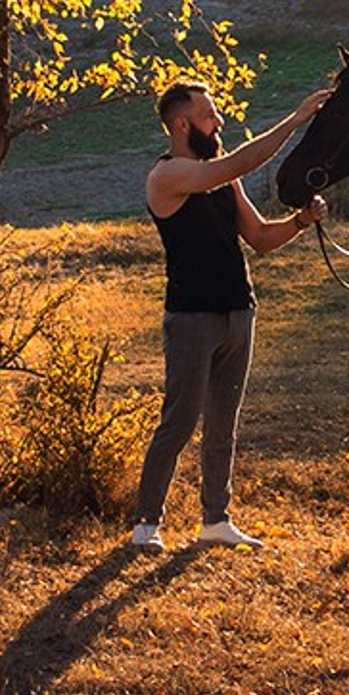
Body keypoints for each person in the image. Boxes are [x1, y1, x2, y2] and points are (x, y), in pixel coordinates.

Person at [128, 76, 330, 550]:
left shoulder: (221, 178)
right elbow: (241, 160)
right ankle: (145, 526)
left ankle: (215, 522)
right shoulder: (169, 176)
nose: (218, 121)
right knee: (179, 421)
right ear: (181, 124)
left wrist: (302, 222)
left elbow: (259, 237)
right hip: (191, 318)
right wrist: (296, 120)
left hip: (239, 311)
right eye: (208, 114)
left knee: (223, 423)